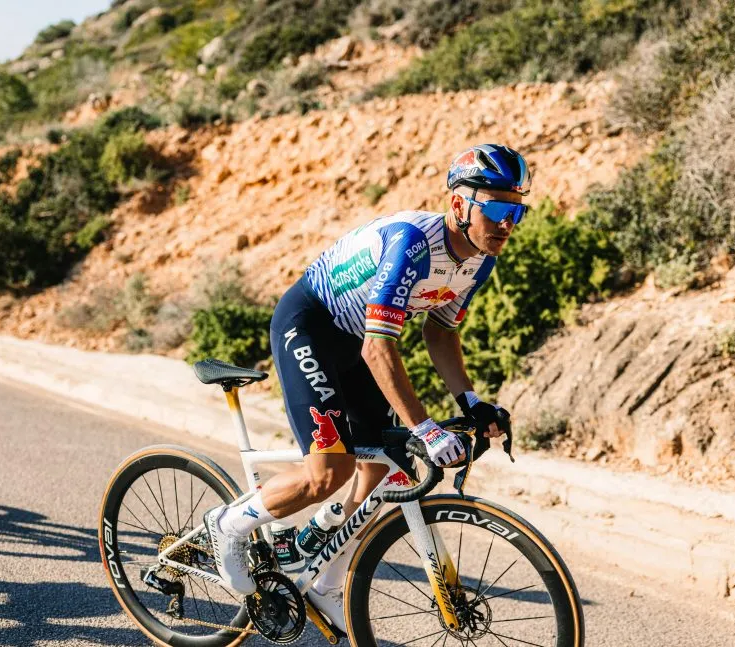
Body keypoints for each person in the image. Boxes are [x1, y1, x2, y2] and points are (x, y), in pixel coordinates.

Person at [204, 143, 528, 626]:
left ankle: (327, 580)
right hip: (311, 325)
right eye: (498, 209)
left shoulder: (480, 260)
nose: (507, 223)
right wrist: (426, 428)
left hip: (358, 340)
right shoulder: (412, 244)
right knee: (327, 473)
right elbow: (379, 349)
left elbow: (439, 331)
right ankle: (226, 526)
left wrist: (472, 401)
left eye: (517, 211)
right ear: (460, 204)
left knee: (381, 470)